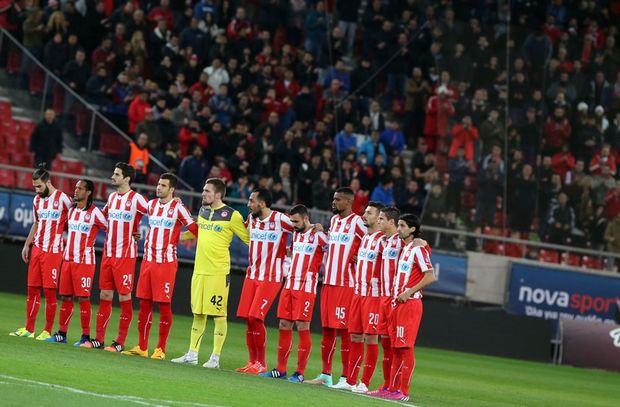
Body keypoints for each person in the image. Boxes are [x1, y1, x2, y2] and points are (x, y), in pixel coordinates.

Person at [172, 178, 250, 368]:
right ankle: (192, 354)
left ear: (218, 194)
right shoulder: (203, 210)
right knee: (198, 313)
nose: (203, 193)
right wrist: (175, 236)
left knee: (219, 315)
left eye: (207, 191)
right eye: (203, 190)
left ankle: (215, 358)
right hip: (199, 270)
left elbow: (249, 239)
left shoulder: (232, 215)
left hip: (218, 272)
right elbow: (197, 233)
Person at [123, 173, 198, 360]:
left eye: (163, 185)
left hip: (166, 263)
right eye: (158, 184)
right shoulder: (151, 205)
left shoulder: (178, 208)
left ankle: (160, 349)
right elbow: (136, 211)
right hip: (148, 261)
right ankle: (142, 347)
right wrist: (135, 230)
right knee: (144, 304)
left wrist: (181, 238)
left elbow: (195, 229)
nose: (158, 187)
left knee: (164, 305)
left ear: (172, 189)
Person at [82, 163, 149, 352]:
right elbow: (102, 217)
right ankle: (99, 339)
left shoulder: (137, 199)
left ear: (127, 178)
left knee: (124, 296)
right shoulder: (111, 197)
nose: (113, 176)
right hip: (108, 254)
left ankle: (119, 342)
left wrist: (173, 202)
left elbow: (156, 213)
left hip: (125, 256)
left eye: (117, 174)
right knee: (105, 294)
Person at [259, 204, 327, 382]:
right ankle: (281, 370)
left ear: (306, 219)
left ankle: (300, 373)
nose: (293, 225)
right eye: (292, 222)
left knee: (302, 326)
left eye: (296, 222)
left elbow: (334, 249)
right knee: (283, 324)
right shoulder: (296, 235)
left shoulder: (319, 235)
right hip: (289, 284)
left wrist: (325, 230)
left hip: (305, 287)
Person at [307, 187, 367, 387]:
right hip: (328, 282)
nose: (334, 202)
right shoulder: (333, 221)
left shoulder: (357, 222)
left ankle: (346, 378)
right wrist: (321, 232)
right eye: (334, 199)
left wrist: (360, 256)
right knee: (327, 330)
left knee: (345, 330)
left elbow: (370, 240)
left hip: (346, 284)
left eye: (338, 199)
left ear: (349, 202)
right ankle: (326, 375)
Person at [235, 188, 294, 374]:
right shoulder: (251, 219)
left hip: (271, 277)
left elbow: (301, 228)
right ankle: (252, 361)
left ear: (262, 203)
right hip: (252, 275)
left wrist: (293, 247)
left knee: (255, 316)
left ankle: (261, 363)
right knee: (248, 318)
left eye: (251, 201)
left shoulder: (280, 219)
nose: (248, 204)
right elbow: (240, 228)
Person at [10, 164, 71, 339]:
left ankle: (47, 330)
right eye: (34, 187)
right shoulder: (36, 200)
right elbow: (36, 223)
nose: (37, 190)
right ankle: (29, 329)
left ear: (48, 182)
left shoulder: (63, 199)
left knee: (50, 292)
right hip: (37, 249)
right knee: (32, 290)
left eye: (39, 186)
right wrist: (26, 245)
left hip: (53, 251)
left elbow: (76, 218)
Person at [44, 179, 107, 345]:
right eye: (76, 187)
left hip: (84, 262)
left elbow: (111, 228)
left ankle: (85, 336)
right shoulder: (71, 211)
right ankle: (62, 334)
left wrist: (132, 234)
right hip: (67, 260)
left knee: (83, 298)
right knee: (65, 297)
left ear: (88, 193)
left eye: (80, 188)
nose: (76, 190)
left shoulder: (95, 212)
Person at [332, 202, 385, 393]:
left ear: (379, 218)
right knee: (355, 335)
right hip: (358, 293)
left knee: (371, 338)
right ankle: (350, 380)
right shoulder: (365, 238)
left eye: (369, 213)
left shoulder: (383, 241)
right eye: (365, 212)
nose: (364, 215)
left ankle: (365, 382)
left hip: (373, 296)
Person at [384, 214, 436, 401]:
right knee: (396, 348)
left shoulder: (417, 249)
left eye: (402, 226)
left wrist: (408, 292)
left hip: (410, 303)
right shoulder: (406, 248)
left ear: (412, 229)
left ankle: (403, 392)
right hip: (398, 304)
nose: (398, 229)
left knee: (405, 348)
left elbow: (430, 276)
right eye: (398, 225)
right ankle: (392, 389)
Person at [366, 206, 403, 396]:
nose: (378, 221)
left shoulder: (401, 242)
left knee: (397, 345)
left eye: (381, 219)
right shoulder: (384, 242)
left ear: (391, 222)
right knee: (386, 344)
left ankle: (398, 387)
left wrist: (422, 242)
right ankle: (387, 385)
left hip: (396, 299)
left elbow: (421, 248)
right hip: (383, 298)